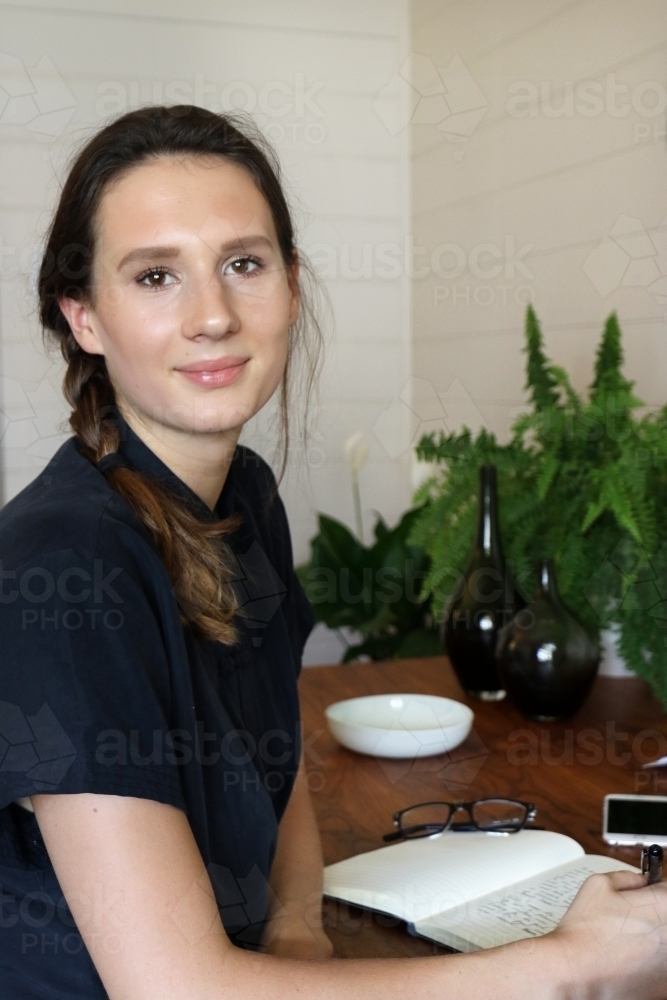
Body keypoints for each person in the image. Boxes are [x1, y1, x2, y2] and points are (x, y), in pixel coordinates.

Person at [0, 104, 666, 1000]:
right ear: (83, 318)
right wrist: (570, 967)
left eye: (243, 263)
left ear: (292, 287)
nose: (212, 316)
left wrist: (297, 927)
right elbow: (173, 989)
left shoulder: (245, 497)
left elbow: (274, 752)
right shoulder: (66, 565)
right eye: (156, 275)